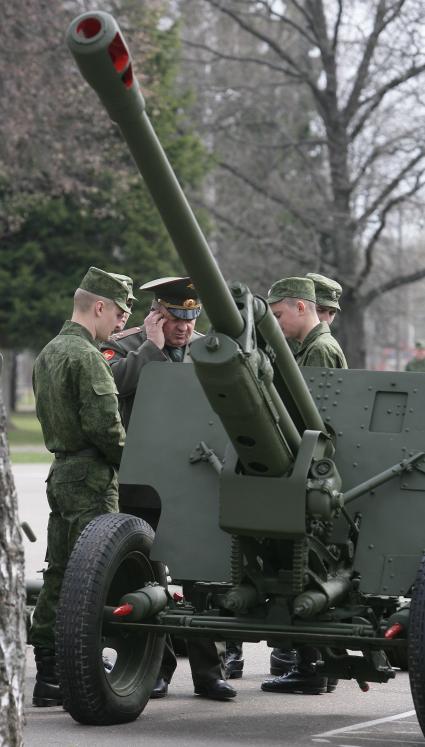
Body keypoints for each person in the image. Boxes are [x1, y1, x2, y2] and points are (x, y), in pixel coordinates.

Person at [101, 276, 236, 702]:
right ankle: (154, 668)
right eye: (176, 318)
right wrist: (152, 348)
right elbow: (113, 386)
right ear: (159, 312)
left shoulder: (205, 350)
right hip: (142, 481)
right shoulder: (126, 346)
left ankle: (209, 673)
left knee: (201, 578)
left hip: (193, 479)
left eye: (191, 318)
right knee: (145, 577)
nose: (184, 327)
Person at [30, 267, 130, 707]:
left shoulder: (49, 351)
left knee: (60, 573)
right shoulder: (87, 356)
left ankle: (49, 671)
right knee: (92, 578)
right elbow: (106, 429)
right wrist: (136, 462)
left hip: (62, 472)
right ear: (99, 306)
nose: (121, 323)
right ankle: (79, 664)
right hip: (91, 476)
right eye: (120, 313)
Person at [261, 276, 347, 696]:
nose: (276, 324)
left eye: (278, 315)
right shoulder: (311, 347)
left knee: (306, 568)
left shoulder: (319, 350)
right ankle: (314, 666)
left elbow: (319, 416)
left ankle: (312, 667)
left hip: (314, 470)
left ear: (300, 307)